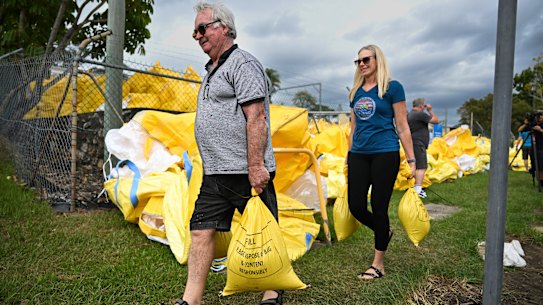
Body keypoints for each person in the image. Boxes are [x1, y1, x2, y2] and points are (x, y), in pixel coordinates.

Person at [176, 2, 281, 305]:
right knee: (200, 230)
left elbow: (256, 116)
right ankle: (191, 299)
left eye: (202, 28)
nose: (197, 35)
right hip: (216, 173)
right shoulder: (211, 70)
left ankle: (272, 293)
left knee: (263, 232)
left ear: (223, 27)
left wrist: (256, 166)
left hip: (246, 171)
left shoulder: (242, 64)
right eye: (195, 31)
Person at [346, 44, 416, 280]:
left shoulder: (392, 88)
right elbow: (353, 126)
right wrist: (348, 154)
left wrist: (412, 160)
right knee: (355, 205)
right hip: (358, 154)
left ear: (378, 60)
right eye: (358, 61)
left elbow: (403, 125)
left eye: (366, 59)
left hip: (385, 153)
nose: (362, 64)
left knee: (379, 206)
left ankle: (378, 264)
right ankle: (383, 230)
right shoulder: (355, 91)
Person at [407, 98, 439, 198]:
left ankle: (416, 187)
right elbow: (435, 120)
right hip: (418, 143)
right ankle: (418, 190)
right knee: (422, 166)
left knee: (416, 166)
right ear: (421, 106)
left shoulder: (410, 114)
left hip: (413, 142)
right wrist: (429, 110)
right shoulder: (419, 114)